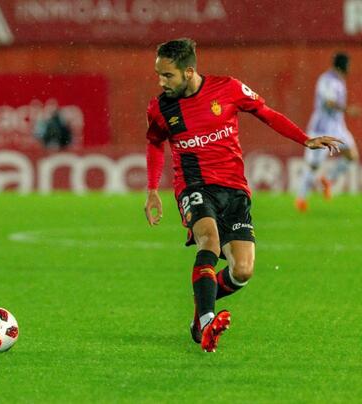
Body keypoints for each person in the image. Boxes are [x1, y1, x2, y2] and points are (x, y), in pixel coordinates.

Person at [143, 38, 342, 352]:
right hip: (194, 186)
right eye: (159, 75)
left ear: (189, 71)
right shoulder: (160, 108)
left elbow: (266, 113)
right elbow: (155, 144)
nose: (161, 82)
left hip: (234, 189)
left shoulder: (228, 89)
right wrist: (153, 189)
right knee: (209, 240)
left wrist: (304, 140)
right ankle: (207, 322)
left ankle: (200, 310)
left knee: (242, 270)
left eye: (167, 75)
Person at [295, 52, 360, 212]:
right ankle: (301, 198)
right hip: (322, 128)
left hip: (338, 127)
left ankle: (328, 180)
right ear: (343, 65)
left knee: (352, 156)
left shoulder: (339, 80)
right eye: (348, 65)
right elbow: (329, 102)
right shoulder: (327, 80)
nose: (350, 68)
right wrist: (348, 110)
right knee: (314, 165)